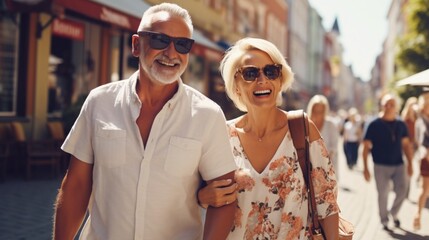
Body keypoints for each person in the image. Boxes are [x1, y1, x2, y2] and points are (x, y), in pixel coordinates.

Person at [52, 3, 237, 240]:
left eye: (182, 44)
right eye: (160, 40)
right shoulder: (100, 102)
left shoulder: (208, 115)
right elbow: (76, 186)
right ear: (136, 45)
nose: (171, 53)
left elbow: (225, 198)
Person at [198, 37, 339, 239]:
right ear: (236, 84)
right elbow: (199, 197)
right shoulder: (222, 135)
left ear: (280, 81)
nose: (262, 79)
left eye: (271, 71)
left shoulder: (302, 129)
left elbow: (327, 203)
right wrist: (202, 197)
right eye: (250, 73)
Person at [362, 93, 414, 231]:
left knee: (403, 190)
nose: (389, 107)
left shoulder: (401, 124)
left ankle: (394, 213)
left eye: (392, 105)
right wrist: (365, 168)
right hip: (380, 165)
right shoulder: (373, 124)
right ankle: (384, 220)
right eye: (386, 104)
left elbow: (406, 145)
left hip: (399, 164)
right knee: (383, 193)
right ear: (382, 105)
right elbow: (366, 147)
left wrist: (410, 164)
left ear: (396, 107)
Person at [307, 94, 340, 179]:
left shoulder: (331, 125)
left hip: (327, 168)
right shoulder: (305, 124)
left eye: (321, 111)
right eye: (315, 111)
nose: (318, 114)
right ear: (311, 110)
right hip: (308, 168)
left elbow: (334, 147)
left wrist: (324, 163)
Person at [413, 92, 429, 230]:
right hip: (426, 158)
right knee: (424, 189)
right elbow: (420, 142)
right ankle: (418, 215)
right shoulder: (420, 122)